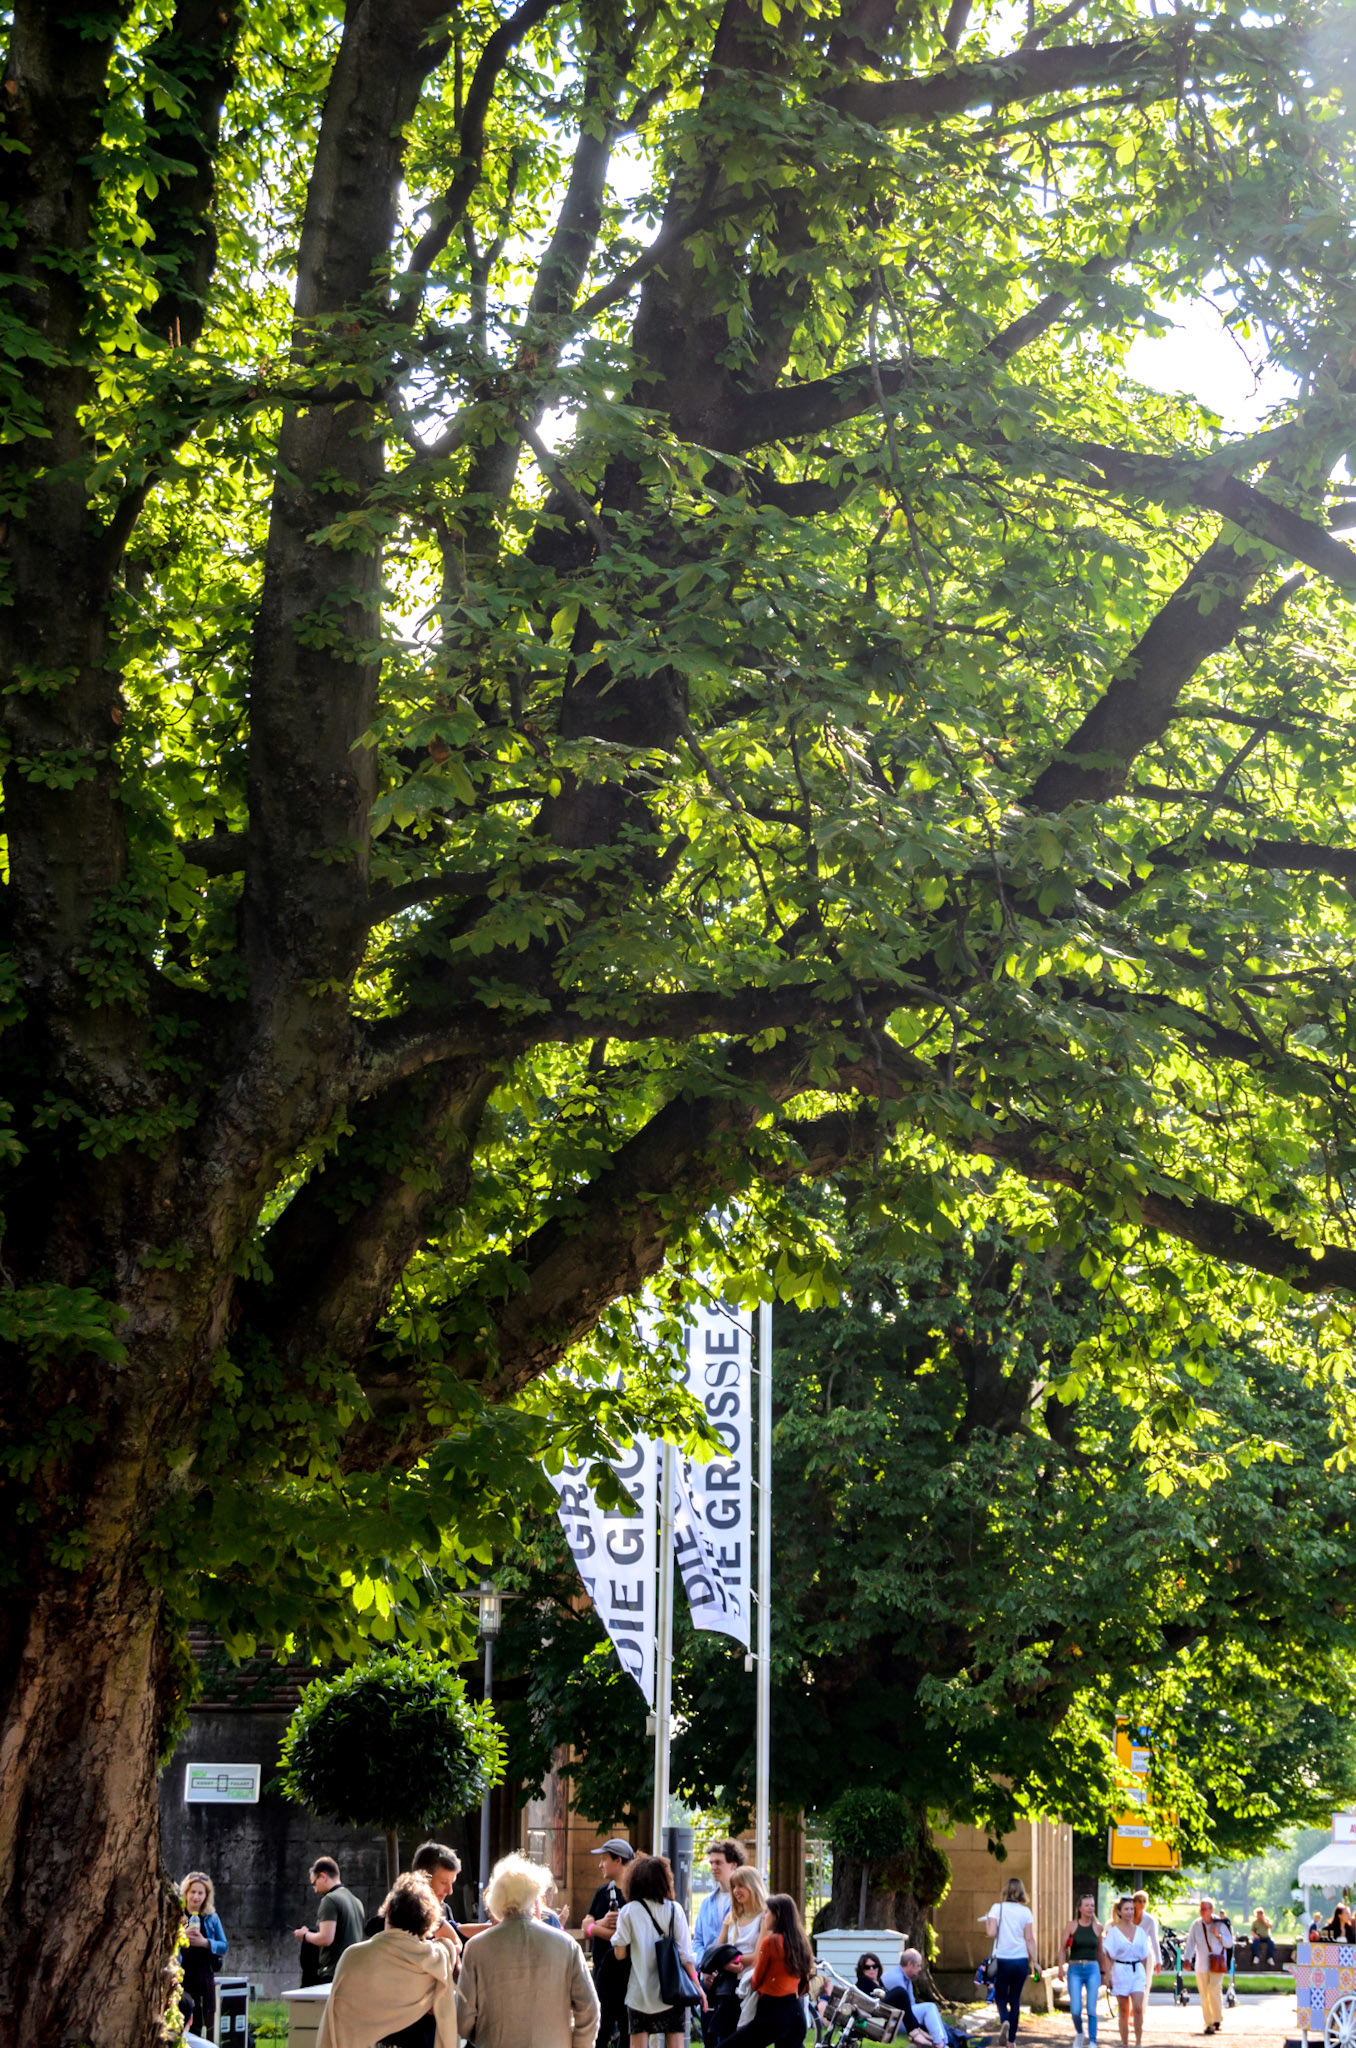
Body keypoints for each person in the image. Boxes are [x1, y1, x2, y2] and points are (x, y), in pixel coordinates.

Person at [456, 1853, 599, 2048]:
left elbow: (463, 2018)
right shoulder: (565, 1944)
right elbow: (589, 2008)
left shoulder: (476, 1947)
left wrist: (482, 2034)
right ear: (535, 1896)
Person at [317, 1873, 456, 2048]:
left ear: (389, 1909)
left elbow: (337, 2018)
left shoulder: (354, 1957)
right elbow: (452, 1947)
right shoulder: (435, 1960)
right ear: (429, 1920)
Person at [612, 1850, 705, 2048]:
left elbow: (619, 1954)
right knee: (676, 2042)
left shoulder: (629, 1911)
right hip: (671, 1993)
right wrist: (697, 1985)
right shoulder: (675, 1909)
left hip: (640, 1995)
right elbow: (686, 1956)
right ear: (665, 1880)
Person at [730, 1893, 813, 2048]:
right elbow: (803, 1980)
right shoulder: (800, 1943)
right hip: (795, 2012)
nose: (764, 1917)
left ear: (777, 1915)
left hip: (771, 2012)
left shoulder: (771, 1942)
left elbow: (757, 1979)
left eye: (767, 1912)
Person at [582, 1838, 634, 2048]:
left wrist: (595, 1928)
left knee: (626, 2029)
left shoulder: (634, 1896)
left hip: (627, 1976)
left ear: (618, 1860)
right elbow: (585, 1926)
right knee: (600, 2030)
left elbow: (621, 1936)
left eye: (604, 1860)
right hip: (602, 1975)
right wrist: (598, 1924)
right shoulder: (603, 1892)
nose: (600, 1864)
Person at [985, 1877, 1038, 2046]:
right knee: (1015, 1999)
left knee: (1000, 1996)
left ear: (1005, 1891)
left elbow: (992, 1933)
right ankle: (1012, 2041)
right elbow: (1030, 1939)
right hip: (1021, 1960)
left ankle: (1004, 2020)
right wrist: (1035, 1962)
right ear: (1022, 1892)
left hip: (1002, 1959)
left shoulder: (996, 1908)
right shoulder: (1026, 1912)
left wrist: (988, 1922)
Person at [296, 1857, 366, 1980]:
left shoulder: (330, 1900)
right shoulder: (356, 1901)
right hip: (354, 1973)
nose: (315, 1890)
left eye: (314, 1883)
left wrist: (305, 1935)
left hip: (333, 1974)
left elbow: (326, 1938)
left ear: (323, 1876)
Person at [179, 1871, 228, 2040]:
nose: (196, 1897)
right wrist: (181, 1936)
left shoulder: (211, 1918)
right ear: (186, 1893)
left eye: (200, 1893)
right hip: (181, 1974)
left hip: (203, 1976)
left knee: (204, 2021)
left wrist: (205, 1942)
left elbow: (223, 1945)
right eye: (192, 1892)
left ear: (206, 1895)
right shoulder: (177, 1914)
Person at [884, 1947, 963, 2048]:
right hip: (896, 2021)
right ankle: (941, 2043)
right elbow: (907, 2012)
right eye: (918, 1966)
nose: (920, 1969)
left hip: (902, 2018)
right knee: (929, 2008)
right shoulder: (896, 1978)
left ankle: (951, 2041)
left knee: (937, 2020)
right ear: (909, 1964)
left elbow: (911, 2006)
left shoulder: (905, 1978)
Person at [1103, 1896, 1151, 2048]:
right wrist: (1108, 1975)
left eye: (1132, 1909)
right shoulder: (1113, 1932)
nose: (1130, 1912)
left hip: (1137, 1971)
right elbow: (1107, 1955)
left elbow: (1144, 1955)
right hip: (1120, 1970)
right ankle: (1125, 2043)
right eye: (1126, 1909)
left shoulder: (1140, 1932)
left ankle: (1138, 2041)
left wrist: (1144, 1973)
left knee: (1137, 2008)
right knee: (1124, 2009)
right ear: (1119, 1912)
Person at [1057, 1895, 1104, 2044]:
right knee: (1075, 2009)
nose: (1090, 1908)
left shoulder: (1098, 1927)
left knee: (1091, 2008)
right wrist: (1060, 1967)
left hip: (1092, 1968)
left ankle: (1093, 2041)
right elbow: (1062, 1948)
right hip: (1075, 1968)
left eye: (1092, 1905)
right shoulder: (1071, 1926)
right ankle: (1079, 2032)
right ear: (1079, 1908)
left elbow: (1100, 1952)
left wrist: (1104, 1973)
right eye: (1087, 1905)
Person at [1182, 1897, 1232, 2037]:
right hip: (1201, 1964)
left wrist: (1219, 1936)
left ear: (1211, 1910)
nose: (1202, 1911)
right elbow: (1190, 1942)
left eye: (1205, 1909)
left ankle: (1217, 2018)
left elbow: (1229, 1944)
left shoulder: (1221, 1924)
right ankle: (1209, 2023)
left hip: (1217, 1963)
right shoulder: (1196, 1924)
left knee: (1213, 1989)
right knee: (1204, 1994)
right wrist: (1187, 1959)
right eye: (1201, 1908)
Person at [695, 1840, 749, 1960]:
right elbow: (698, 1941)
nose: (713, 1867)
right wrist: (704, 1966)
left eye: (718, 1863)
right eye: (711, 1863)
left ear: (733, 1865)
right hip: (706, 1973)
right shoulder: (706, 1903)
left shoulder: (745, 1901)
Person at [1131, 1894, 1162, 1980]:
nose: (1142, 1904)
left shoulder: (1149, 1920)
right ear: (1134, 1903)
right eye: (1139, 1901)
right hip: (1130, 1954)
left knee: (1144, 1982)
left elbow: (1154, 1941)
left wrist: (1158, 1961)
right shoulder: (1128, 1918)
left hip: (1145, 1954)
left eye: (1144, 1901)